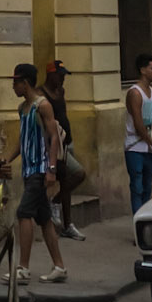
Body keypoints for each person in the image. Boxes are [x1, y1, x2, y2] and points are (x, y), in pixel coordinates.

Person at [12, 63, 67, 284]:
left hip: (39, 168)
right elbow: (22, 139)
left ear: (25, 83)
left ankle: (23, 267)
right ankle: (59, 266)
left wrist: (51, 169)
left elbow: (53, 137)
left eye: (16, 82)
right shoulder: (22, 108)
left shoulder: (42, 106)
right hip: (28, 169)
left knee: (24, 213)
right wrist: (7, 159)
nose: (13, 86)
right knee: (44, 219)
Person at [41, 60, 86, 242]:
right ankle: (54, 205)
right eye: (60, 75)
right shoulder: (41, 95)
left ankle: (67, 223)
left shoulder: (61, 91)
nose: (62, 79)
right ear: (50, 75)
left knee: (67, 182)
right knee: (78, 174)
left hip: (67, 142)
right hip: (54, 145)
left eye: (64, 76)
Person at [124, 54, 152, 214]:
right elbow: (139, 125)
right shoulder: (135, 93)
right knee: (137, 187)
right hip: (134, 146)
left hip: (147, 147)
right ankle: (138, 222)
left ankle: (146, 221)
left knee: (147, 187)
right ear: (142, 70)